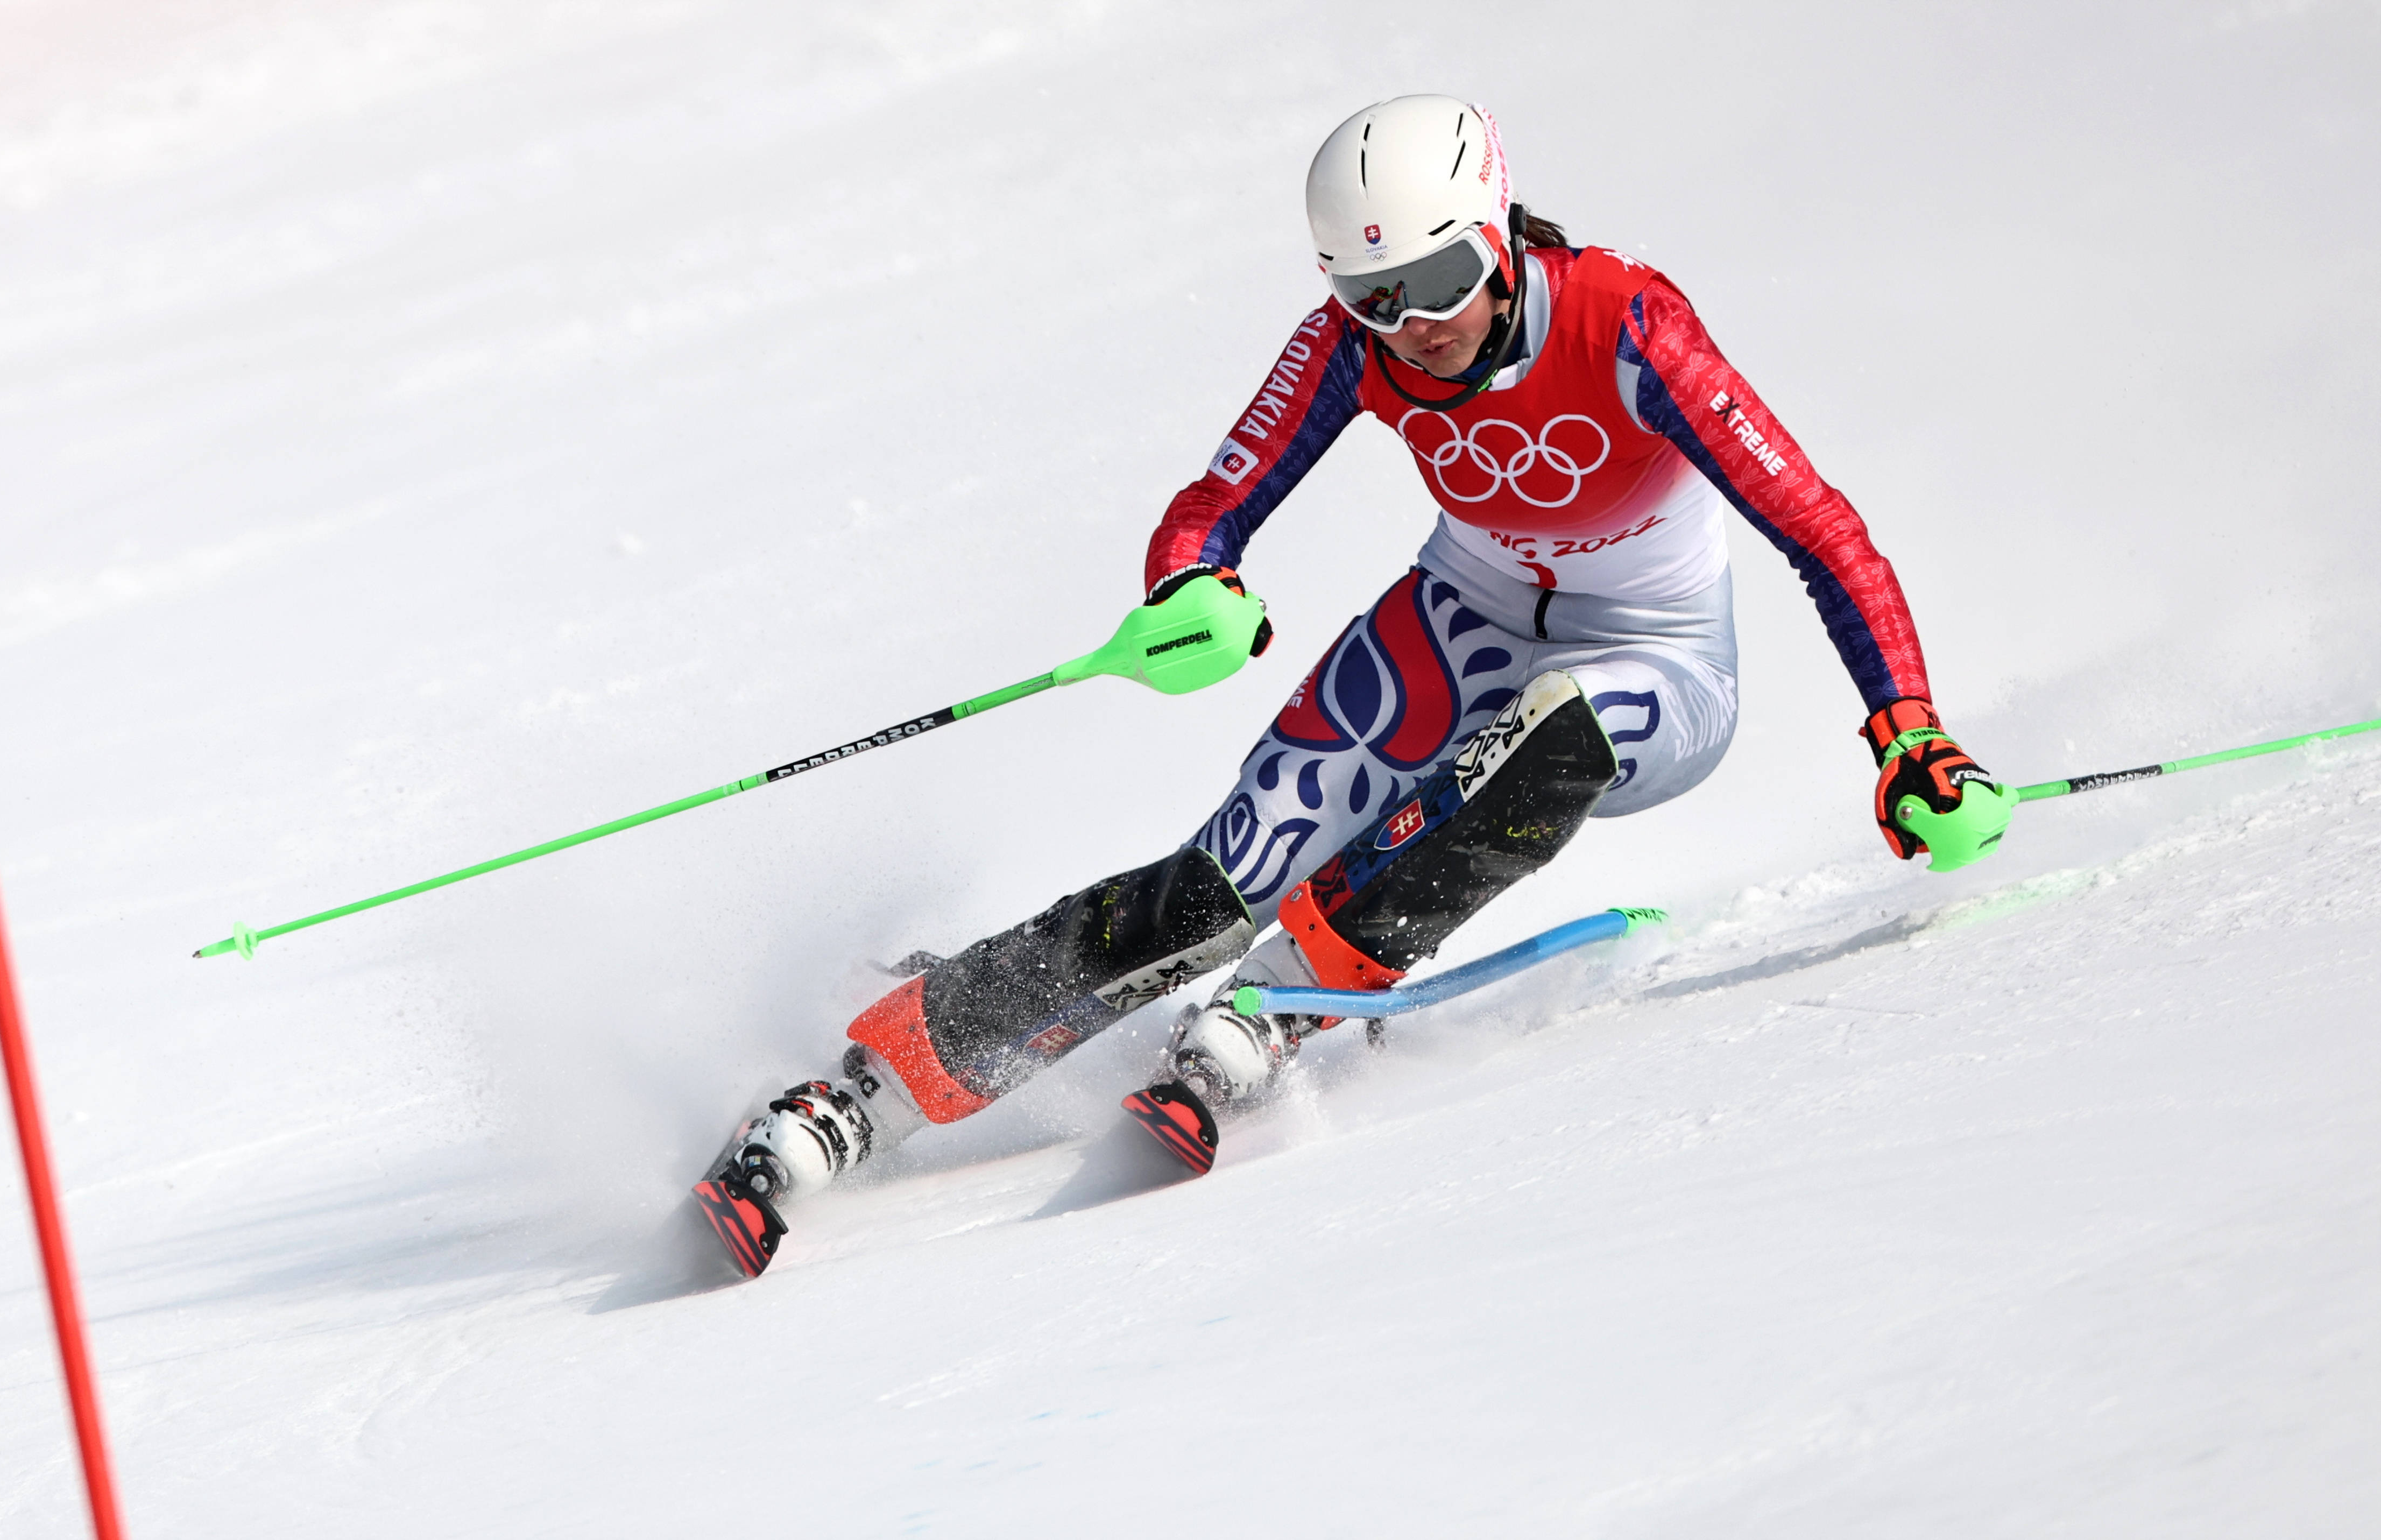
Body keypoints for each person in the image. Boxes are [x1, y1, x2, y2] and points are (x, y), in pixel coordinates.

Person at [691, 94, 2011, 1275]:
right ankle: (862, 1091)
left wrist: (1909, 734)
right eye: (1374, 297)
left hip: (1657, 658)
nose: (1415, 325)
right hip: (1465, 616)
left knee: (1546, 739)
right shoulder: (1354, 345)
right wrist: (1192, 586)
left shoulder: (1625, 321)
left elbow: (1820, 529)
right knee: (1220, 879)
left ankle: (1291, 1005)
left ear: (1496, 237)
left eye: (1439, 278)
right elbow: (1217, 500)